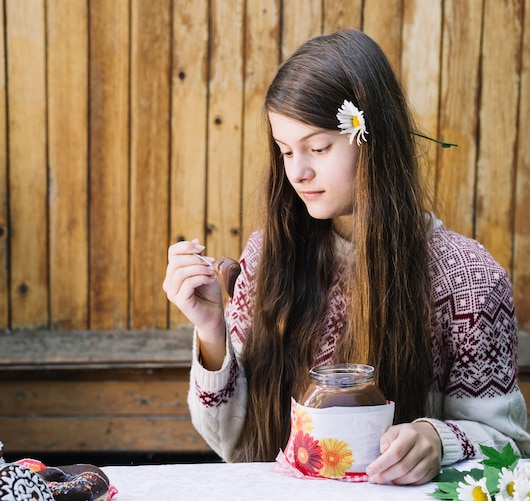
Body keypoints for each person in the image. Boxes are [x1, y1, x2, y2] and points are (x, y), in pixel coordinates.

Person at [162, 29, 530, 485]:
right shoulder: (266, 257)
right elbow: (230, 441)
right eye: (285, 150)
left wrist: (438, 439)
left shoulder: (469, 278)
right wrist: (211, 331)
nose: (298, 172)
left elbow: (509, 446)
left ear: (372, 138)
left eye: (318, 148)